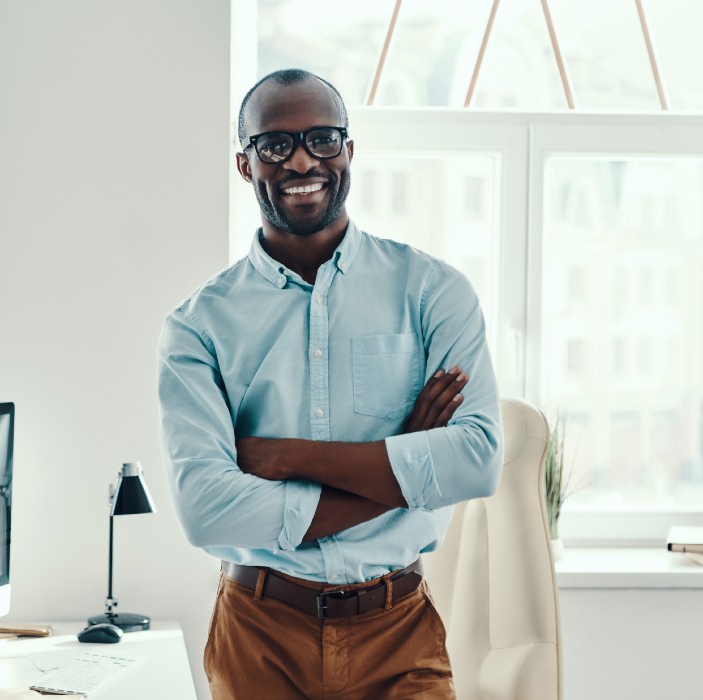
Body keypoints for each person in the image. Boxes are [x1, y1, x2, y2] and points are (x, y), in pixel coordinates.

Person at [157, 68, 503, 699]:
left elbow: (476, 461)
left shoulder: (432, 292)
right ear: (244, 165)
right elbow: (208, 511)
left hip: (399, 631)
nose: (300, 160)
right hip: (258, 633)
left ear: (349, 150)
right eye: (274, 145)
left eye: (322, 138)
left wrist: (284, 458)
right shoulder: (197, 325)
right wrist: (404, 468)